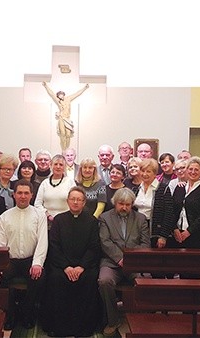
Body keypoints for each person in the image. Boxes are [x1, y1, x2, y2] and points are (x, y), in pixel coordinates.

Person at [43, 186, 102, 337]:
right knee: (55, 278)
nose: (75, 202)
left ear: (84, 202)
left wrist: (81, 267)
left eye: (79, 200)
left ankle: (84, 329)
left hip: (85, 266)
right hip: (62, 266)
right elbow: (54, 246)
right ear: (68, 201)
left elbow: (94, 247)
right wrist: (66, 267)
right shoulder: (59, 220)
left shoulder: (92, 221)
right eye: (72, 199)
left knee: (89, 279)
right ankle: (60, 328)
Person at [0, 180, 48, 330]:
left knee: (39, 278)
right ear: (14, 195)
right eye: (20, 193)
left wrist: (37, 264)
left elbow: (43, 241)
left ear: (32, 195)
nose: (23, 196)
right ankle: (10, 314)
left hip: (31, 260)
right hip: (9, 260)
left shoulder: (39, 215)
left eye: (26, 193)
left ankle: (26, 312)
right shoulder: (5, 216)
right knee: (0, 278)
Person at [98, 187, 149, 335]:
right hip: (111, 263)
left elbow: (145, 244)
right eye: (121, 204)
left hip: (135, 264)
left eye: (128, 204)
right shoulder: (105, 218)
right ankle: (113, 320)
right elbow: (105, 242)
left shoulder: (140, 219)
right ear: (115, 203)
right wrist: (120, 258)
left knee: (146, 281)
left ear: (132, 204)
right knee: (104, 281)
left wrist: (130, 259)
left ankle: (142, 319)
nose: (124, 207)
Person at [166, 156, 200, 279]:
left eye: (196, 169)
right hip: (177, 234)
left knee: (192, 270)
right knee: (178, 267)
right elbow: (172, 210)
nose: (192, 172)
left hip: (196, 234)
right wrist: (174, 229)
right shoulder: (180, 188)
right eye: (190, 169)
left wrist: (189, 231)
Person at [42, 81, 90, 151]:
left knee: (68, 135)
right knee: (63, 134)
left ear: (63, 94)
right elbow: (51, 94)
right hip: (61, 118)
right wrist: (46, 86)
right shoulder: (58, 101)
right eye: (59, 95)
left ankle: (67, 150)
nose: (60, 96)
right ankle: (63, 150)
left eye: (61, 94)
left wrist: (85, 88)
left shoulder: (68, 99)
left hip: (67, 119)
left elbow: (77, 94)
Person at [34, 154, 76, 229]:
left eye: (61, 164)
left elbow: (74, 201)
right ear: (51, 165)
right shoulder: (45, 183)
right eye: (55, 164)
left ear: (65, 167)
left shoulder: (70, 182)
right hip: (47, 222)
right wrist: (48, 215)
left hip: (66, 221)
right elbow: (37, 204)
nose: (58, 167)